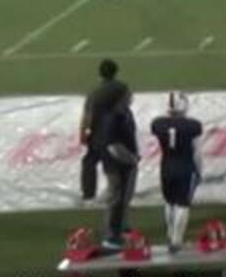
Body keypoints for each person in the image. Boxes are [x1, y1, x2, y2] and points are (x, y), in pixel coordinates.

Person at [149, 91, 202, 250]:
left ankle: (170, 235)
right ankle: (177, 240)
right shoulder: (193, 125)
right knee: (182, 204)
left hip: (166, 166)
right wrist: (199, 170)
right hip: (185, 166)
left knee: (169, 202)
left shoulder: (158, 123)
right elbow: (197, 151)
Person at [79, 59, 129, 203]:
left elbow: (87, 115)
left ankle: (88, 194)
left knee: (89, 162)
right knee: (117, 164)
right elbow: (126, 107)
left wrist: (82, 134)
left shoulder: (94, 93)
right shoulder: (122, 87)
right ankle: (119, 191)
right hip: (117, 133)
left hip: (98, 134)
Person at [98, 89, 141, 249]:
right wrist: (131, 158)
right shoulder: (112, 118)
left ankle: (122, 225)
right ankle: (111, 236)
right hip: (116, 164)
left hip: (127, 162)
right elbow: (113, 146)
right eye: (128, 95)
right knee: (116, 199)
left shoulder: (125, 112)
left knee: (125, 197)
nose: (131, 97)